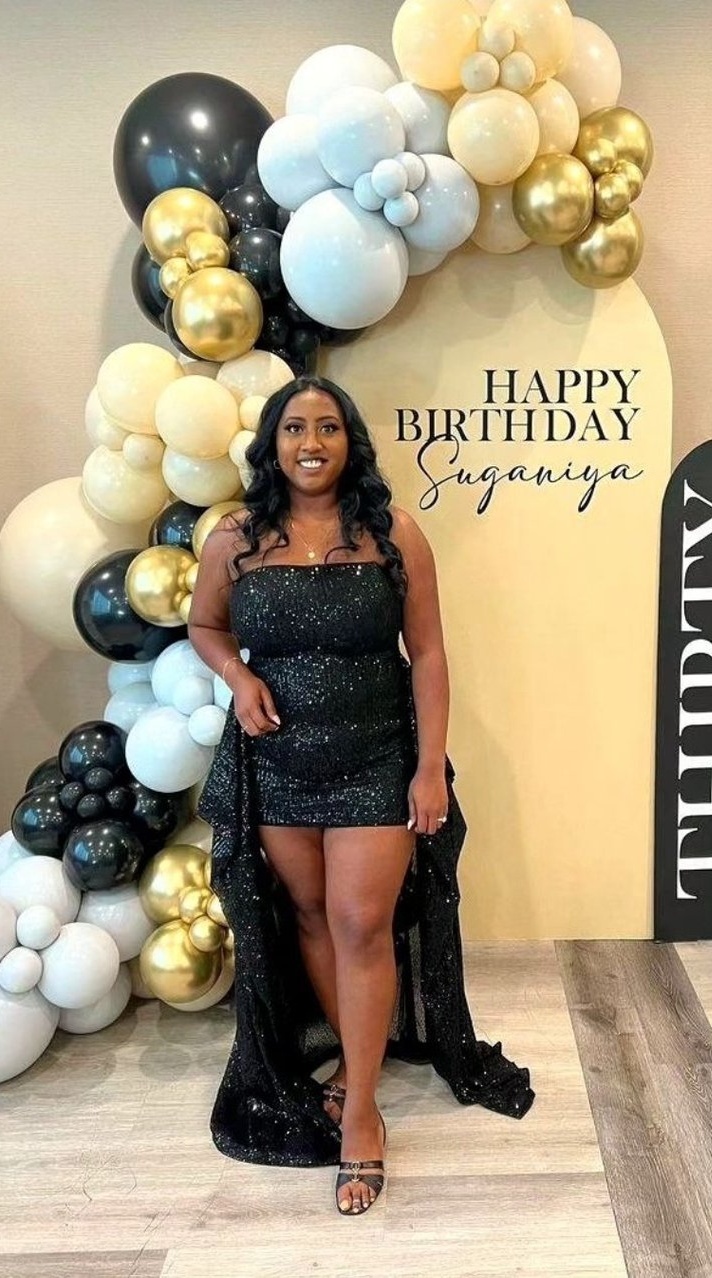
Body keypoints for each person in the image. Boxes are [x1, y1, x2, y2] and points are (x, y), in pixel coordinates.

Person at [188, 374, 533, 1216]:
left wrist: (429, 767)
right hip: (277, 766)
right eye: (296, 427)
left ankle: (364, 1115)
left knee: (360, 922)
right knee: (309, 916)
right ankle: (352, 1061)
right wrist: (235, 676)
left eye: (330, 427)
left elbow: (433, 656)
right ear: (272, 443)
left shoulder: (394, 535)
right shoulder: (234, 538)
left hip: (376, 757)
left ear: (351, 443)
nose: (312, 442)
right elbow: (204, 626)